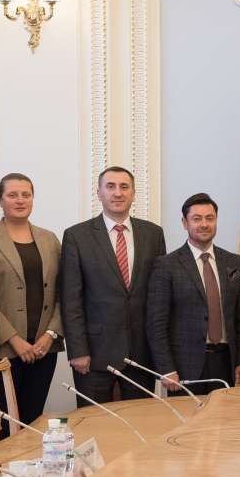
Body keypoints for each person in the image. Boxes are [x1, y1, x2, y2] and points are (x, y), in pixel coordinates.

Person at [60, 166, 166, 402]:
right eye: (110, 186)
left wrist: (161, 354)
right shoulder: (77, 236)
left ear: (133, 193)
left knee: (142, 420)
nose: (118, 193)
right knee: (93, 420)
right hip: (94, 354)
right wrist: (78, 350)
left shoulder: (153, 234)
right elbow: (70, 299)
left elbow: (159, 298)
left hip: (141, 354)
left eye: (124, 187)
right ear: (99, 193)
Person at [0, 173, 64, 425]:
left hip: (44, 347)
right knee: (6, 423)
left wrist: (51, 334)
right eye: (12, 195)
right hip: (4, 348)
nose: (20, 200)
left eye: (26, 194)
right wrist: (14, 340)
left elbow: (64, 292)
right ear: (0, 200)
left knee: (33, 419)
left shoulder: (50, 239)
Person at [147, 193, 240, 394]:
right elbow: (156, 323)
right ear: (184, 223)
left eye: (209, 218)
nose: (204, 224)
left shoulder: (234, 262)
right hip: (183, 367)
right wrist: (166, 368)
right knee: (188, 415)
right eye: (196, 219)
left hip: (227, 363)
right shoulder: (166, 265)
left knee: (226, 415)